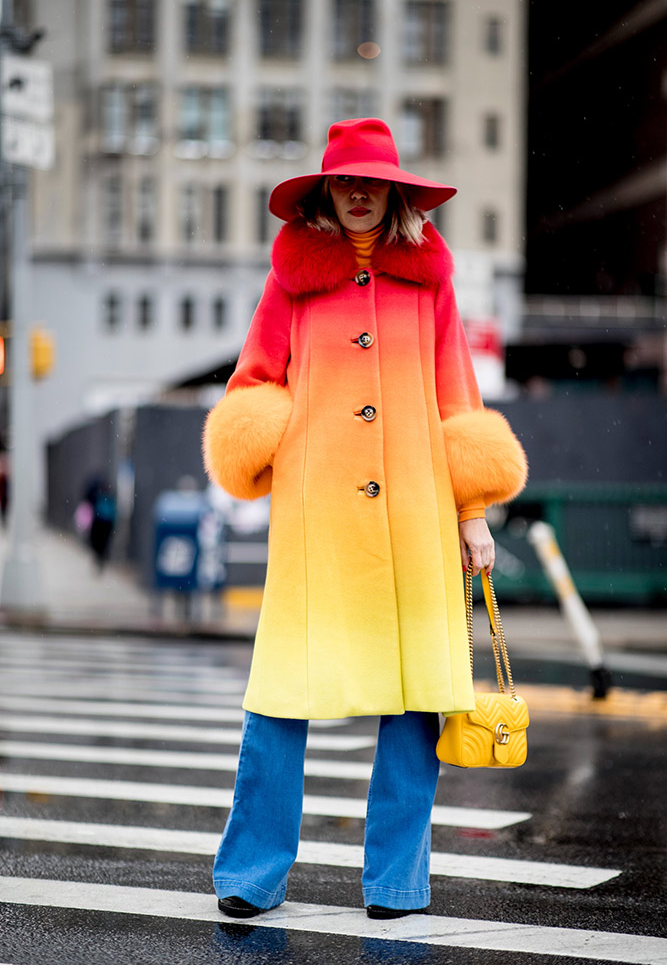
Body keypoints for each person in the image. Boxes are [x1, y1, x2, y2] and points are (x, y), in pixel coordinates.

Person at [203, 118, 527, 921]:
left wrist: (473, 510)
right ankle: (250, 875)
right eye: (344, 182)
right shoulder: (291, 280)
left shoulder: (430, 280)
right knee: (278, 697)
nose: (357, 194)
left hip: (417, 510)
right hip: (315, 514)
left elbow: (458, 396)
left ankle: (395, 884)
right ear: (325, 190)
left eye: (371, 182)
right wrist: (269, 454)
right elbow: (253, 383)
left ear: (393, 193)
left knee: (416, 702)